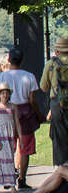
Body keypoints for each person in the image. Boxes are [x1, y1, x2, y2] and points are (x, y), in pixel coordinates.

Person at [0, 46, 43, 190]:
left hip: (7, 111)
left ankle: (8, 177)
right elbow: (32, 100)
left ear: (9, 59)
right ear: (22, 60)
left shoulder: (2, 76)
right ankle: (22, 179)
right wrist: (39, 114)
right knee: (25, 147)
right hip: (25, 112)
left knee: (8, 146)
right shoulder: (29, 76)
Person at [0, 85, 22, 193]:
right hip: (0, 137)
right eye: (2, 93)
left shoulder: (12, 107)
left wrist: (20, 137)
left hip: (10, 136)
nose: (5, 95)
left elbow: (17, 122)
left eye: (6, 93)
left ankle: (11, 185)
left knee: (10, 160)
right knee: (0, 161)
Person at [40, 36, 68, 168]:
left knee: (58, 136)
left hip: (57, 103)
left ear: (57, 51)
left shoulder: (51, 64)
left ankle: (59, 166)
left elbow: (43, 87)